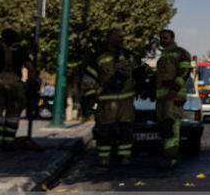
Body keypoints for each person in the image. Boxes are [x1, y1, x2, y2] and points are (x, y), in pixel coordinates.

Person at [82, 28, 148, 166]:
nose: (121, 39)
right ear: (109, 38)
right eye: (118, 37)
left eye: (122, 37)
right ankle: (104, 158)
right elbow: (89, 78)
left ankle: (125, 157)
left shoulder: (130, 56)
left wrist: (144, 87)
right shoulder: (98, 57)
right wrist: (91, 96)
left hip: (126, 103)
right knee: (105, 131)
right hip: (106, 103)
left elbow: (143, 70)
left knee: (126, 130)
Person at [154, 29, 192, 169]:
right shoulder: (163, 56)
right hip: (162, 98)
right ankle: (166, 155)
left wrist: (175, 88)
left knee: (171, 126)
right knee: (164, 127)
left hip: (174, 97)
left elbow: (185, 72)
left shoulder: (181, 53)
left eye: (165, 38)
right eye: (161, 38)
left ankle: (171, 157)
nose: (163, 40)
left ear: (172, 38)